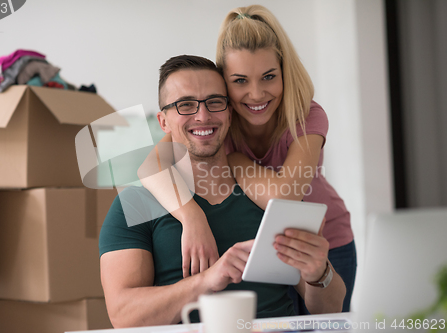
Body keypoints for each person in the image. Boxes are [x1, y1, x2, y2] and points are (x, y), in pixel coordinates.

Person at [100, 55, 346, 328]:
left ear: (229, 113)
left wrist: (319, 273)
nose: (203, 116)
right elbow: (123, 315)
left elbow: (330, 306)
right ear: (164, 122)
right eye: (186, 105)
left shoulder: (266, 195)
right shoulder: (134, 204)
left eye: (215, 102)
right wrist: (205, 281)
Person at [139, 5, 356, 314]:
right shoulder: (217, 119)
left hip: (323, 242)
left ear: (285, 72)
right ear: (224, 83)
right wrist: (192, 217)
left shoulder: (306, 115)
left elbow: (286, 198)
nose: (256, 94)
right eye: (240, 81)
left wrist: (237, 161)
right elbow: (150, 165)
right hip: (262, 248)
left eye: (268, 76)